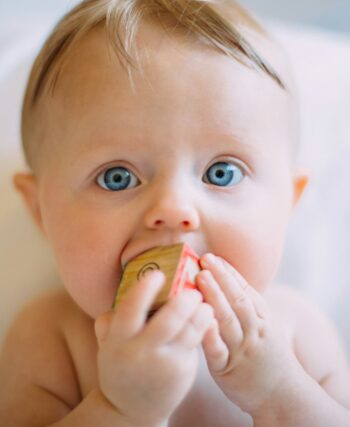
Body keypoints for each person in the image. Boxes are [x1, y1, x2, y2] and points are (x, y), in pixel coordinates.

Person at [1, 0, 350, 426]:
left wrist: (278, 391)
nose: (173, 209)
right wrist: (119, 408)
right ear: (41, 212)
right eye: (117, 177)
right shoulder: (51, 338)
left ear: (287, 204)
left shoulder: (296, 330)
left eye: (221, 173)